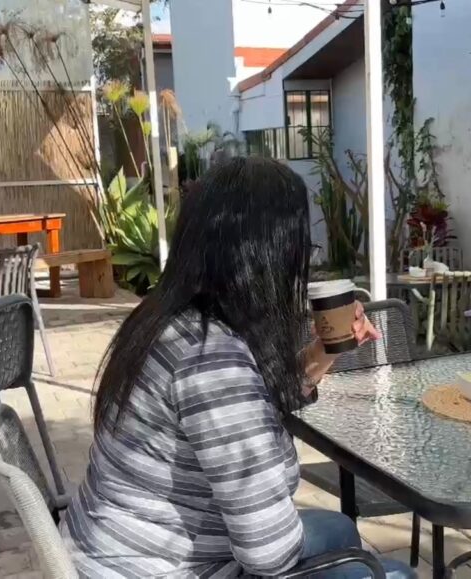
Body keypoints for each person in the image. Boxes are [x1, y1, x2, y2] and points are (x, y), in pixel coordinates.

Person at [63, 158, 417, 578]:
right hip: (166, 567)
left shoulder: (168, 319)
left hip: (112, 547)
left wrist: (326, 349)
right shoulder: (211, 361)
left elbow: (256, 401)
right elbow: (269, 553)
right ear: (266, 258)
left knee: (340, 528)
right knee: (395, 574)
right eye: (300, 251)